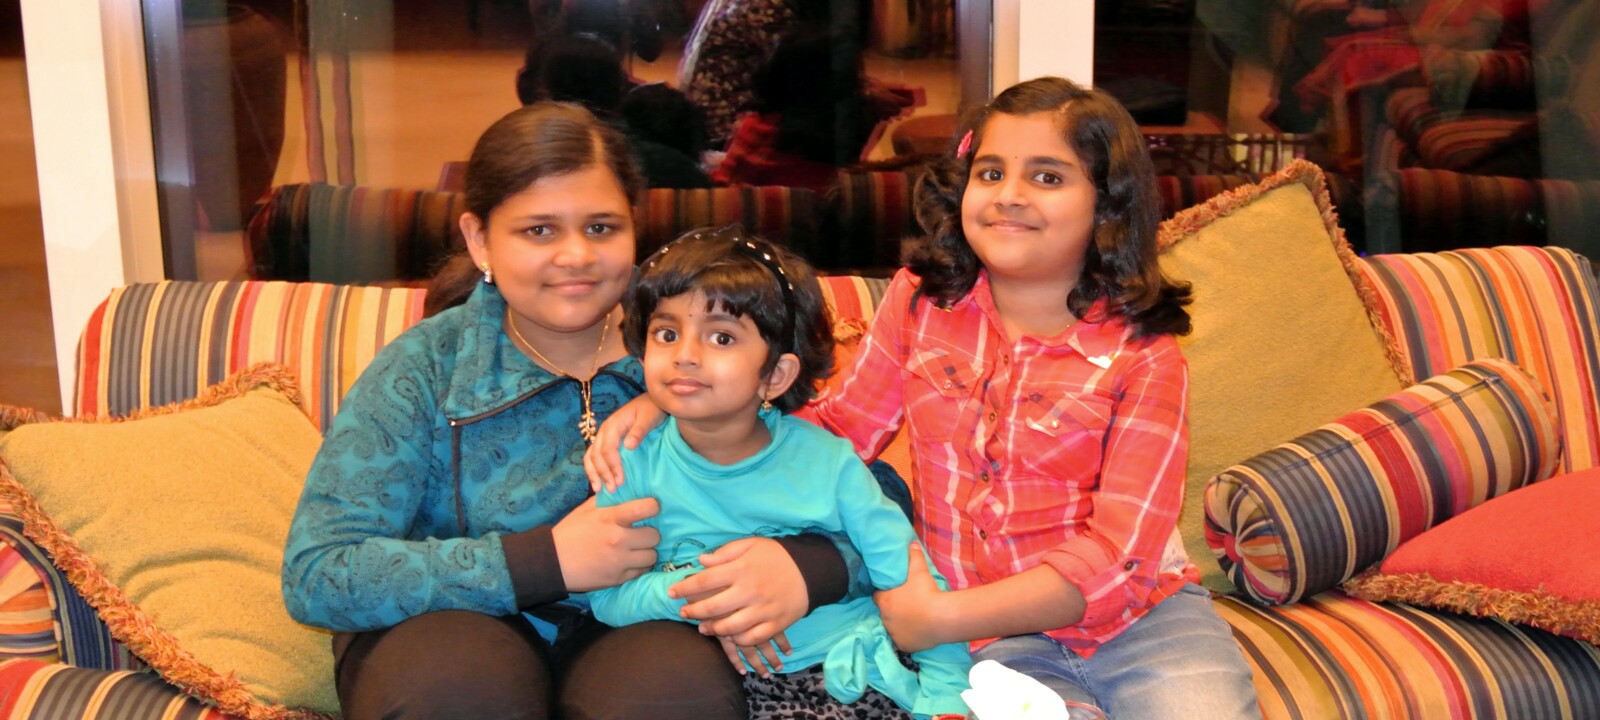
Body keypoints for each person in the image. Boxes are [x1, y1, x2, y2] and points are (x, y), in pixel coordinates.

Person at [588, 76, 1262, 719]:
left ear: (1108, 205)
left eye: (1047, 177)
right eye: (990, 173)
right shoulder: (921, 302)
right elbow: (840, 431)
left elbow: (1122, 555)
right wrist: (688, 406)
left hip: (1143, 628)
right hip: (992, 645)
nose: (1009, 196)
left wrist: (937, 616)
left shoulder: (1145, 355)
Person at [281, 101, 868, 720]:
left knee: (670, 696)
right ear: (479, 239)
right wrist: (546, 562)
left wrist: (806, 567)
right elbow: (320, 571)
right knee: (455, 691)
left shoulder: (705, 345)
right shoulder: (428, 366)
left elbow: (871, 496)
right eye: (539, 230)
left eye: (601, 228)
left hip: (646, 619)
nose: (576, 257)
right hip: (447, 628)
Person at [587, 226, 972, 719]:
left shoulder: (829, 463)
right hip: (727, 681)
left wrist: (948, 694)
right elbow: (607, 597)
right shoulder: (631, 461)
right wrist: (697, 594)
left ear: (775, 376)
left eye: (721, 337)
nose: (684, 354)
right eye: (667, 334)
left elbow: (911, 574)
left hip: (854, 669)